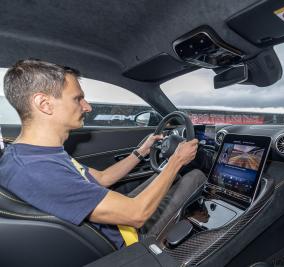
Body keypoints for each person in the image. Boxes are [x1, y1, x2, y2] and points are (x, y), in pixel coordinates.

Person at [0, 59, 207, 249]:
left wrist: (140, 152)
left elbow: (103, 178)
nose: (87, 107)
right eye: (77, 98)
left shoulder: (32, 155)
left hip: (114, 221)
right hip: (129, 239)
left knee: (170, 178)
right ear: (44, 104)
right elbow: (137, 214)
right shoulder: (41, 170)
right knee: (194, 176)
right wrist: (177, 160)